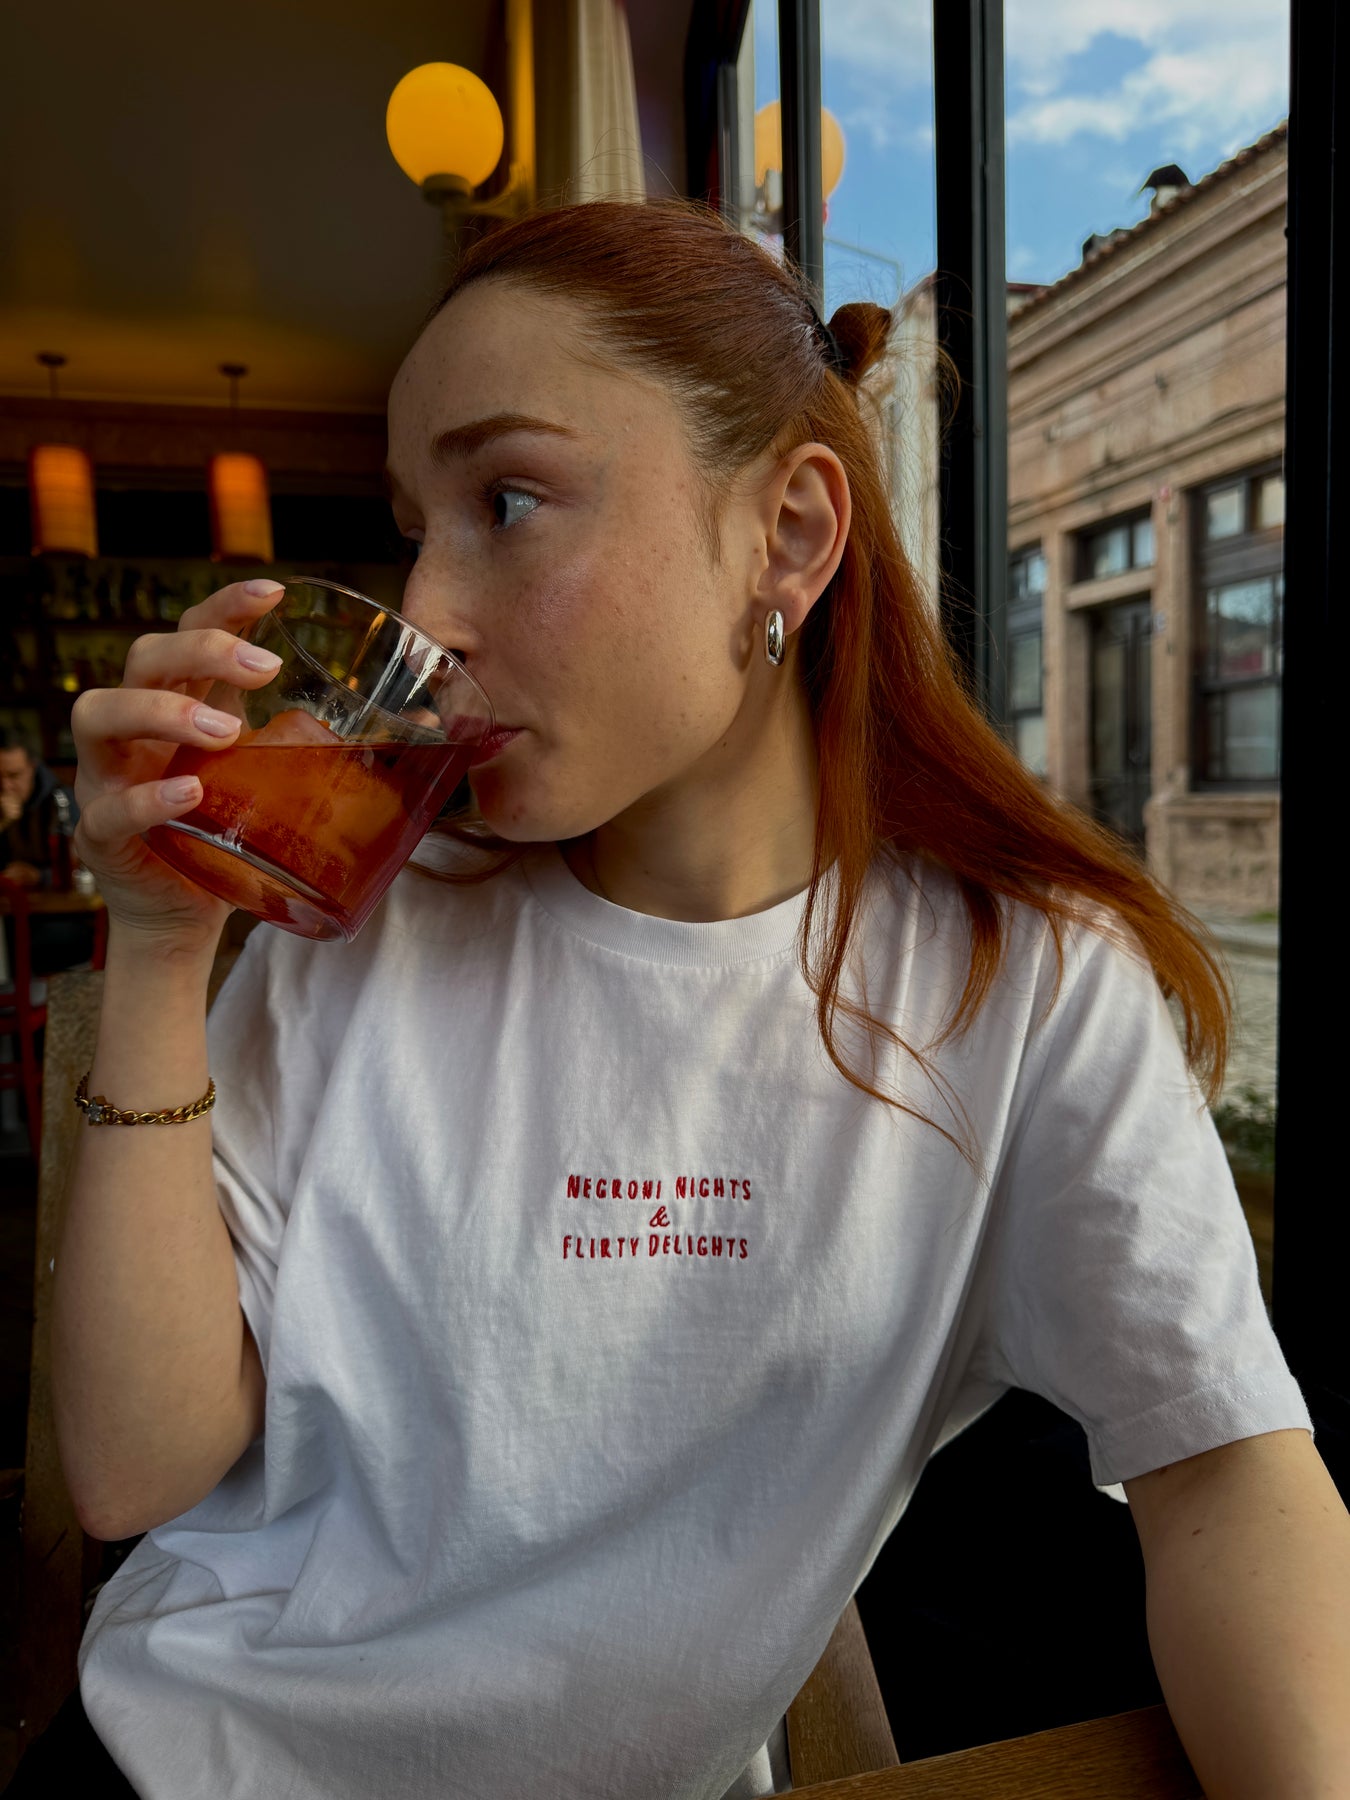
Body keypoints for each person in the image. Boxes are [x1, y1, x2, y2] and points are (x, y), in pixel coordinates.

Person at [20, 201, 1348, 1800]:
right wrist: (161, 946)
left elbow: (1226, 1473)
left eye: (509, 501)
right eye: (415, 526)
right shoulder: (368, 922)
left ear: (786, 533)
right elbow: (134, 1474)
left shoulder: (1021, 987)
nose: (425, 613)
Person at [0, 727, 96, 976]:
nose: (6, 786)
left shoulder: (61, 801)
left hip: (58, 917)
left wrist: (37, 876)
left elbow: (85, 867)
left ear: (33, 767)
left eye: (14, 775)